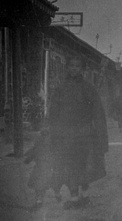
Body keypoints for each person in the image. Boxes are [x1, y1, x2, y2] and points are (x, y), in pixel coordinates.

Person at [48, 56, 108, 210]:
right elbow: (53, 111)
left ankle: (80, 193)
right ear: (67, 68)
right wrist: (50, 129)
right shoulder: (61, 88)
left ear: (82, 69)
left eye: (77, 66)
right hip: (65, 133)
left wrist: (101, 136)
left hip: (84, 134)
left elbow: (98, 113)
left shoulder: (88, 88)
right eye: (71, 65)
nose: (74, 68)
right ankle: (74, 196)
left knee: (84, 164)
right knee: (68, 164)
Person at [24, 129, 61, 208]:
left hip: (40, 169)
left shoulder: (38, 146)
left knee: (39, 185)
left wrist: (27, 160)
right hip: (49, 169)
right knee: (54, 183)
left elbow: (30, 156)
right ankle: (57, 194)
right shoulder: (51, 146)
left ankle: (39, 200)